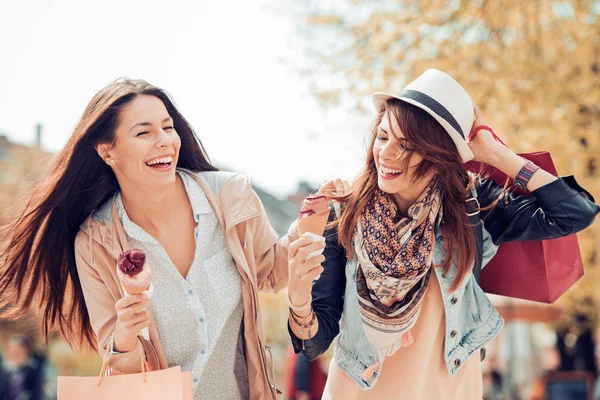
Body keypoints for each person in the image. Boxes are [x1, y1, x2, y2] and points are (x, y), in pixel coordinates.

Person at [286, 69, 599, 399]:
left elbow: (574, 213)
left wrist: (496, 155)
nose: (387, 154)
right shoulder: (343, 213)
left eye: (406, 145)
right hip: (360, 389)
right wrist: (299, 298)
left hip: (449, 388)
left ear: (441, 155)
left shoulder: (471, 209)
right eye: (383, 136)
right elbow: (315, 343)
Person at [0, 78, 298, 400]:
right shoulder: (94, 242)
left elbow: (270, 273)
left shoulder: (229, 197)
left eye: (168, 128)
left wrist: (309, 227)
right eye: (144, 132)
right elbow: (118, 369)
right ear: (107, 151)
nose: (165, 141)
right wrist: (126, 333)